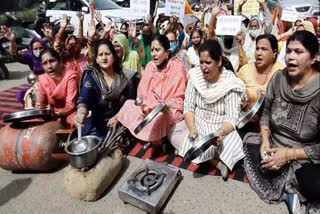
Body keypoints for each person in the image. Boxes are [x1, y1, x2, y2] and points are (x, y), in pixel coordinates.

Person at [243, 31, 320, 213]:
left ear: (314, 57)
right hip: (274, 144)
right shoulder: (278, 78)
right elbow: (266, 113)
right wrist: (265, 142)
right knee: (245, 142)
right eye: (289, 51)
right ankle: (290, 190)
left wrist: (288, 155)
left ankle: (294, 189)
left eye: (299, 52)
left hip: (304, 155)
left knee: (316, 185)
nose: (291, 57)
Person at [168, 39, 246, 180]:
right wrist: (192, 129)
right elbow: (189, 106)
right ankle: (215, 162)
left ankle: (202, 154)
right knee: (172, 132)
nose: (204, 67)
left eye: (208, 62)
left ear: (219, 61)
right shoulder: (195, 76)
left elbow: (232, 118)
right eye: (201, 62)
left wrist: (219, 134)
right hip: (198, 124)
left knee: (232, 143)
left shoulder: (231, 83)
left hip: (220, 129)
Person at [114, 35, 187, 145]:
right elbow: (142, 93)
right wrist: (145, 107)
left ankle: (155, 139)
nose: (153, 54)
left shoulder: (176, 66)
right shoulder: (150, 66)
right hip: (148, 107)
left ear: (167, 52)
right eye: (152, 50)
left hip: (168, 108)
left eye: (157, 50)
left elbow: (178, 97)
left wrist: (163, 106)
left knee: (160, 116)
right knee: (128, 104)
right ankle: (151, 136)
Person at [75, 39, 139, 138]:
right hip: (97, 126)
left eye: (107, 54)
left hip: (121, 123)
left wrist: (119, 117)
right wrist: (82, 114)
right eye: (100, 55)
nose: (104, 58)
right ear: (96, 59)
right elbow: (84, 99)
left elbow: (132, 103)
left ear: (114, 56)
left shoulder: (126, 78)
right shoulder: (92, 78)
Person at [237, 34, 284, 109]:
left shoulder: (283, 72)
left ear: (274, 52)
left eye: (264, 49)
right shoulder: (244, 71)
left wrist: (269, 98)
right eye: (257, 48)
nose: (259, 53)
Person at [37, 48, 80, 128]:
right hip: (52, 115)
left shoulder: (70, 77)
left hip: (71, 113)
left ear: (60, 61)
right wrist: (42, 110)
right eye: (45, 63)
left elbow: (71, 105)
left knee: (76, 122)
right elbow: (41, 105)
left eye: (52, 61)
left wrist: (56, 114)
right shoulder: (43, 79)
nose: (49, 66)